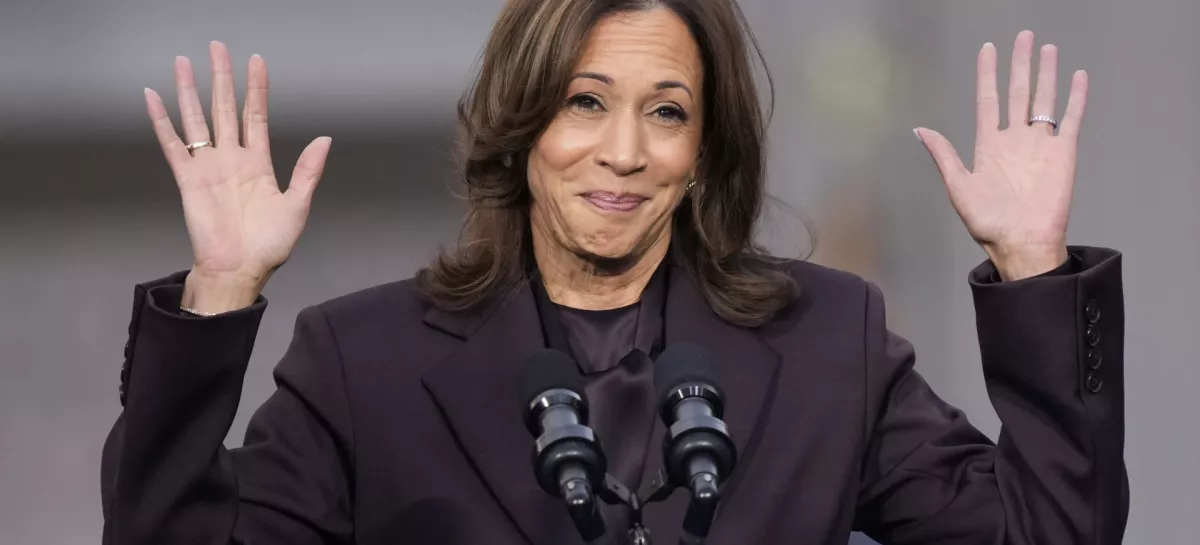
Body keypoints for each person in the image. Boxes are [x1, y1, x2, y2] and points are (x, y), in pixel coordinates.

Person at [100, 0, 1128, 543]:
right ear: (520, 125)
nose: (625, 152)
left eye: (668, 111)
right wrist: (222, 288)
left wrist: (1032, 260)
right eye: (585, 102)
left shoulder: (828, 341)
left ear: (705, 152)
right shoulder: (362, 360)